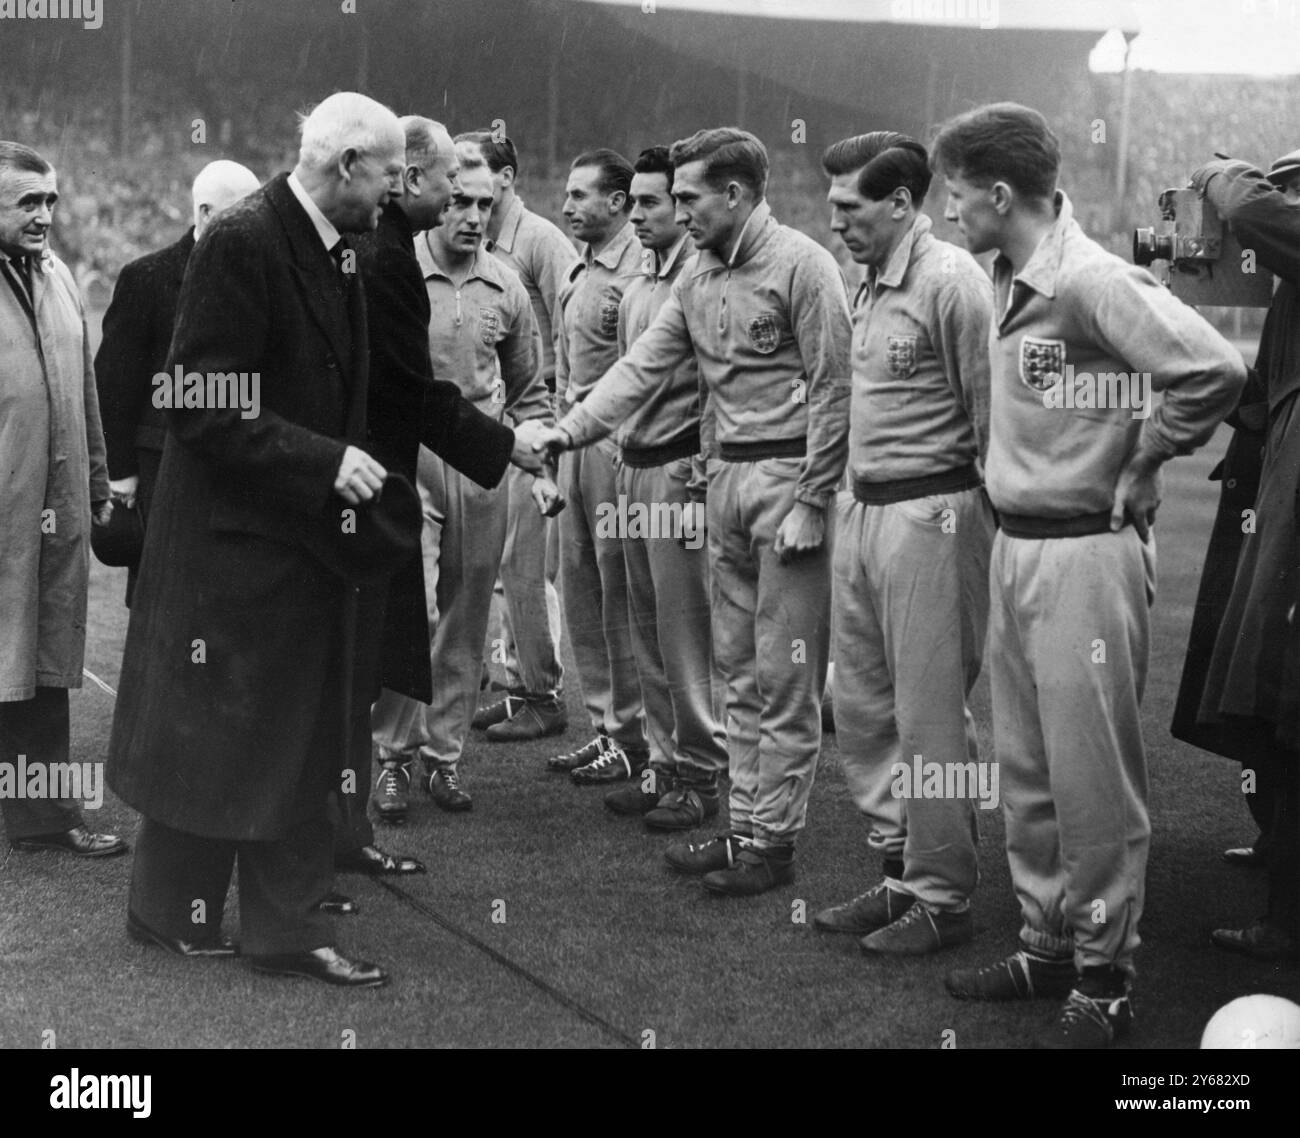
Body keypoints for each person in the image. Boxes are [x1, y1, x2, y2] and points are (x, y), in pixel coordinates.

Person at [931, 103, 1245, 1047]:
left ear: (998, 193)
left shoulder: (1094, 278)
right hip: (1016, 543)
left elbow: (1214, 369)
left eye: (955, 193)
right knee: (1025, 772)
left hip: (1086, 555)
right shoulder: (1001, 276)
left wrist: (1148, 457)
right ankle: (1048, 946)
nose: (947, 212)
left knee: (1090, 780)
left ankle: (1106, 981)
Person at [106, 93, 412, 987]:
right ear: (349, 164)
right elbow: (196, 398)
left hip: (276, 538)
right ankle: (246, 924)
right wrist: (327, 463)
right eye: (390, 173)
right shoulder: (247, 238)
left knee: (253, 737)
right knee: (259, 736)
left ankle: (202, 917)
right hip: (240, 545)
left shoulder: (333, 246)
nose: (396, 191)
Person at [538, 127, 852, 895]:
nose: (677, 211)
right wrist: (568, 428)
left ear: (736, 194)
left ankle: (773, 844)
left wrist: (814, 499)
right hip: (723, 485)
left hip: (787, 485)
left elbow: (836, 390)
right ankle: (743, 825)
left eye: (689, 197)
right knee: (737, 672)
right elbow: (641, 369)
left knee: (784, 677)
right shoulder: (699, 276)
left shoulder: (804, 266)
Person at [812, 131, 994, 955]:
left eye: (850, 206)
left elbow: (992, 425)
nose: (836, 219)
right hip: (865, 510)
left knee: (931, 720)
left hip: (936, 514)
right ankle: (900, 870)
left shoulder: (953, 282)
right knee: (861, 707)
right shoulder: (866, 280)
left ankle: (944, 896)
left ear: (899, 204)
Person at [362, 118, 548, 828]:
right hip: (413, 452)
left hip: (482, 456)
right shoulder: (396, 265)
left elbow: (529, 389)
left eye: (483, 205)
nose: (470, 216)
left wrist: (532, 456)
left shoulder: (507, 286)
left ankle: (445, 757)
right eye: (459, 200)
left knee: (470, 609)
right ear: (438, 197)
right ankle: (393, 758)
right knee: (419, 607)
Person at [1189, 146, 1300, 960]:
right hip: (1279, 471)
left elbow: (1255, 211)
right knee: (1264, 674)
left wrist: (1219, 173)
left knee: (1288, 681)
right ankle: (1277, 851)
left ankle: (1288, 916)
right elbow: (1260, 400)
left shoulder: (1270, 219)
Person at [0, 140, 125, 860]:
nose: (45, 214)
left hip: (55, 512)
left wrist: (99, 480)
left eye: (50, 199)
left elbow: (85, 392)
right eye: (27, 202)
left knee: (44, 669)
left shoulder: (60, 277)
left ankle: (42, 816)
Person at [596, 146, 727, 832]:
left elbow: (715, 386)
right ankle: (662, 763)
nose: (642, 216)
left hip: (676, 471)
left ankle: (703, 774)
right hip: (630, 463)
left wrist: (701, 471)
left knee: (684, 633)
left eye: (655, 203)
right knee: (641, 623)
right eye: (641, 202)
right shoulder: (641, 283)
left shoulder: (697, 283)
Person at [94, 160, 261, 604]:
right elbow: (114, 382)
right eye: (242, 214)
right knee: (160, 596)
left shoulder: (260, 278)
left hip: (235, 462)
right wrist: (121, 472)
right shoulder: (147, 277)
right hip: (160, 465)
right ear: (205, 213)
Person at [455, 128, 573, 743]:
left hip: (534, 417)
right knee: (487, 562)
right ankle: (499, 678)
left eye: (475, 170)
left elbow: (575, 318)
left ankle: (543, 695)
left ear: (504, 177)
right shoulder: (472, 243)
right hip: (486, 424)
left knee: (523, 566)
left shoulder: (540, 239)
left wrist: (559, 410)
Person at [545, 148, 650, 785]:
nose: (566, 206)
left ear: (618, 203)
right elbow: (564, 366)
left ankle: (635, 733)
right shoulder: (576, 271)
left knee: (620, 591)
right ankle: (605, 725)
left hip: (615, 445)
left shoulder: (641, 272)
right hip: (571, 444)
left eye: (581, 195)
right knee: (577, 582)